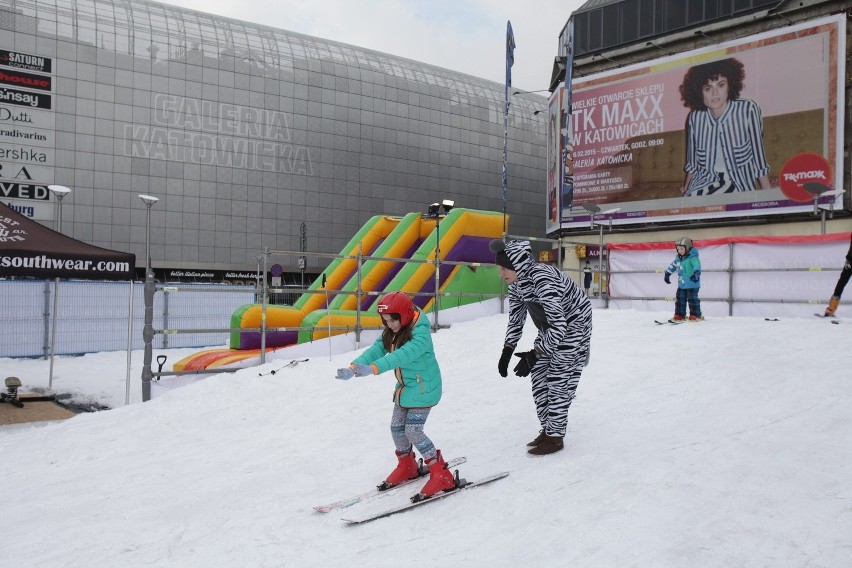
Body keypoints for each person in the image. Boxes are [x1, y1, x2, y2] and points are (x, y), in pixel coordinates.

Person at [334, 291, 456, 499]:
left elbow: (401, 356)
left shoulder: (420, 334)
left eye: (393, 319)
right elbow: (377, 350)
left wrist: (373, 369)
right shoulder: (395, 329)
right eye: (386, 320)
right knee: (397, 428)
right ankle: (407, 465)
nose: (389, 324)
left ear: (405, 315)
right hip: (406, 388)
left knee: (413, 431)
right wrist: (354, 368)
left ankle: (441, 473)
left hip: (424, 388)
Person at [491, 239, 592, 456]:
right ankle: (548, 429)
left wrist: (535, 353)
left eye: (504, 267)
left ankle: (555, 437)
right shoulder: (517, 284)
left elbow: (560, 324)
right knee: (538, 374)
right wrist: (507, 350)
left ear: (517, 264)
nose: (500, 273)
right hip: (550, 328)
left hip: (574, 325)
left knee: (557, 378)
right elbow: (516, 320)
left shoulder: (542, 278)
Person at [679, 58, 771, 197]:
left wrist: (768, 195)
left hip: (739, 183)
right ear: (699, 91)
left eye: (720, 85)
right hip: (703, 182)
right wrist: (687, 189)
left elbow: (759, 160)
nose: (715, 93)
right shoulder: (695, 118)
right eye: (708, 88)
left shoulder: (748, 110)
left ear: (730, 85)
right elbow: (693, 163)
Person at [664, 237, 703, 322]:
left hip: (692, 283)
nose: (680, 251)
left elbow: (697, 265)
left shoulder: (692, 257)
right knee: (680, 299)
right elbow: (672, 266)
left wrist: (696, 273)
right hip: (682, 284)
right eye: (678, 249)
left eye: (682, 249)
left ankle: (695, 315)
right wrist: (667, 273)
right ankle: (680, 315)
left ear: (688, 248)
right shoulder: (678, 259)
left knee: (692, 299)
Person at [822, 233, 852, 317]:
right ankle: (831, 309)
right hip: (850, 261)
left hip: (850, 260)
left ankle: (831, 309)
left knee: (841, 283)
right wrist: (849, 260)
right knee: (842, 282)